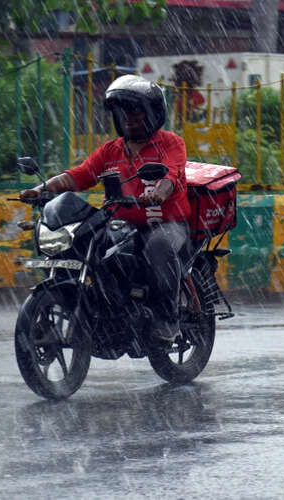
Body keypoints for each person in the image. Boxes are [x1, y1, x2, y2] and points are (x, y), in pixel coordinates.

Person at [20, 74, 190, 342]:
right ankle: (106, 307)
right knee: (87, 243)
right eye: (123, 113)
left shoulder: (170, 143)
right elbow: (78, 175)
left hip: (166, 224)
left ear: (153, 113)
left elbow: (172, 174)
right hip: (123, 225)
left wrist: (158, 193)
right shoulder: (111, 151)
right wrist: (42, 190)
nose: (128, 118)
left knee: (158, 247)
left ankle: (167, 319)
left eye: (135, 112)